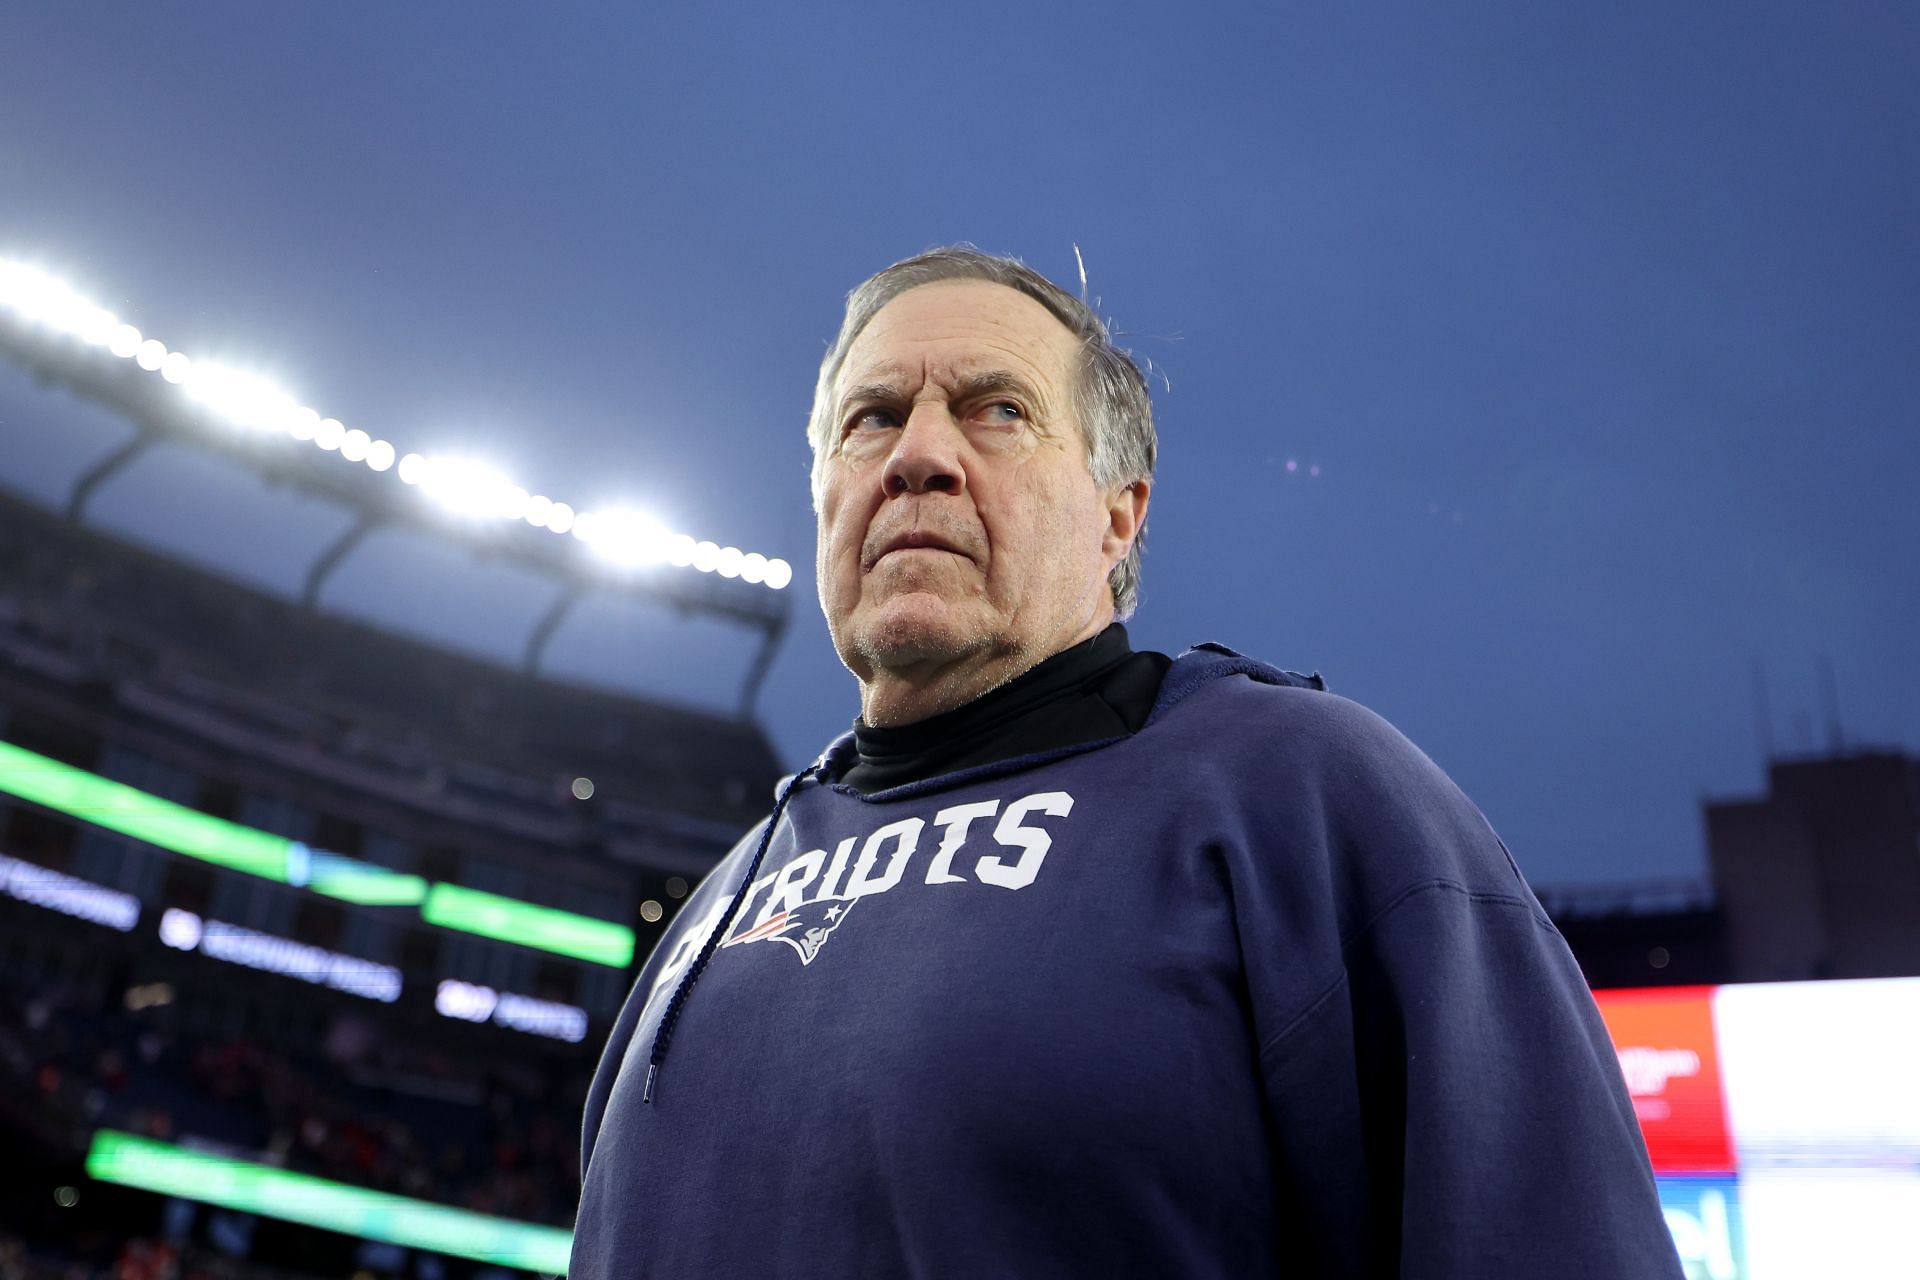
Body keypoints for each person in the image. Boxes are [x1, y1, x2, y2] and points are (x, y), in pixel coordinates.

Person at [570, 247, 1682, 1277]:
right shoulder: (725, 896)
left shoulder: (1304, 793)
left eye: (995, 410)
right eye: (872, 418)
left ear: (1120, 512)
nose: (917, 455)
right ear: (822, 494)